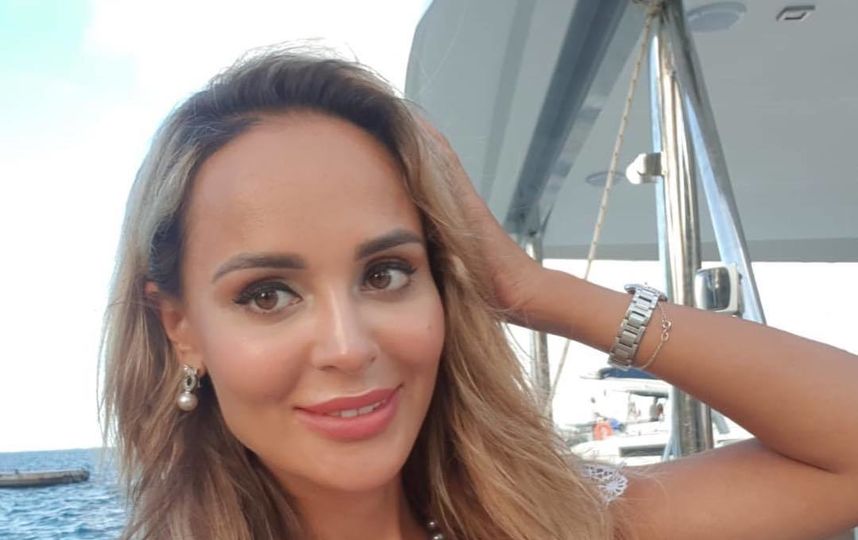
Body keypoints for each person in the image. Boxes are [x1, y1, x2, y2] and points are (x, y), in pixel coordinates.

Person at [101, 48, 858, 539]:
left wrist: (536, 290)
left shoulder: (560, 521)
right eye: (268, 295)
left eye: (385, 273)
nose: (349, 346)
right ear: (180, 327)